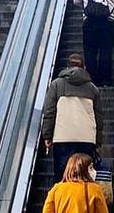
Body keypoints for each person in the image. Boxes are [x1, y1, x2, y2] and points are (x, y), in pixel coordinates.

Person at [41, 54, 103, 184]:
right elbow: (99, 117)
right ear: (84, 67)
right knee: (85, 178)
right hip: (86, 139)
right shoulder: (93, 89)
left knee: (62, 177)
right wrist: (98, 141)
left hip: (63, 138)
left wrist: (47, 135)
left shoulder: (56, 85)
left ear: (67, 67)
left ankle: (62, 203)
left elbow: (50, 112)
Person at [42, 153, 108, 213]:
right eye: (90, 168)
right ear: (82, 169)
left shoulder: (56, 189)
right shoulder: (94, 189)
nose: (94, 171)